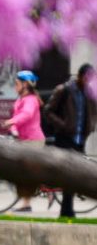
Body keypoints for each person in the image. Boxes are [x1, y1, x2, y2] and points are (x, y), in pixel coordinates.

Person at [42, 63, 96, 218]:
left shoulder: (89, 93)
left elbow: (93, 112)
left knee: (74, 175)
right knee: (69, 174)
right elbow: (48, 111)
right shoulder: (64, 90)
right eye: (86, 78)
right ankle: (67, 211)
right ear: (79, 76)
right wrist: (62, 125)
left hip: (80, 139)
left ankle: (66, 209)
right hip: (65, 138)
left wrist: (91, 126)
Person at [3, 70, 45, 213]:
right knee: (21, 171)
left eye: (17, 84)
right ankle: (42, 189)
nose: (15, 86)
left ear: (25, 85)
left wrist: (12, 121)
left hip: (33, 141)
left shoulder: (31, 100)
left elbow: (26, 115)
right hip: (23, 140)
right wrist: (13, 128)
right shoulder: (20, 99)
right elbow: (18, 116)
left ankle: (26, 203)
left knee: (25, 172)